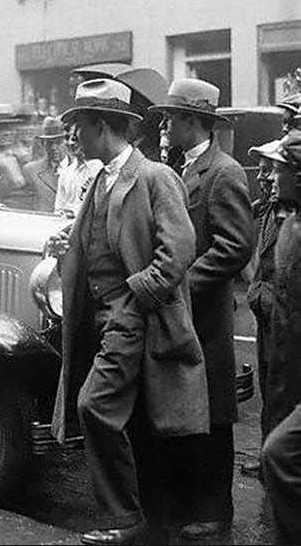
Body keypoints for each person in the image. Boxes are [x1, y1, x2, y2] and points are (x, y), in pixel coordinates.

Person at [48, 79, 208, 546]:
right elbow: (95, 242)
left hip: (132, 317)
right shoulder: (99, 179)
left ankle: (123, 517)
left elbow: (179, 250)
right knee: (129, 418)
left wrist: (137, 295)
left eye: (79, 127)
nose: (74, 138)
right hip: (100, 317)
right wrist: (65, 247)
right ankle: (151, 515)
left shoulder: (155, 177)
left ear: (102, 126)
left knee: (93, 406)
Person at [151, 79, 254, 541]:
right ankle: (185, 502)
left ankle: (216, 511)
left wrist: (181, 284)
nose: (166, 125)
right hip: (183, 315)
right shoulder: (178, 166)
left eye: (172, 118)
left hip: (204, 315)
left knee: (212, 414)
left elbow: (234, 247)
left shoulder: (224, 172)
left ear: (193, 121)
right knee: (184, 408)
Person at [260, 128, 301, 544]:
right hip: (288, 370)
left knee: (280, 454)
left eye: (279, 169)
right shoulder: (289, 226)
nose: (270, 177)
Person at [241, 140, 288, 477]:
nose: (265, 177)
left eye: (271, 169)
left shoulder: (290, 216)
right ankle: (268, 449)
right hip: (264, 310)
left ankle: (278, 454)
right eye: (262, 170)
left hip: (283, 315)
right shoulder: (267, 209)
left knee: (281, 386)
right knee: (268, 382)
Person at [55, 122, 101, 216]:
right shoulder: (66, 172)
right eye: (67, 138)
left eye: (75, 138)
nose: (70, 143)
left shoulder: (99, 169)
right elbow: (58, 208)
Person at [22, 116, 67, 213]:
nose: (54, 147)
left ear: (67, 142)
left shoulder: (82, 170)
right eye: (49, 143)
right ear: (43, 144)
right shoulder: (30, 171)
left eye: (59, 142)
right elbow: (22, 207)